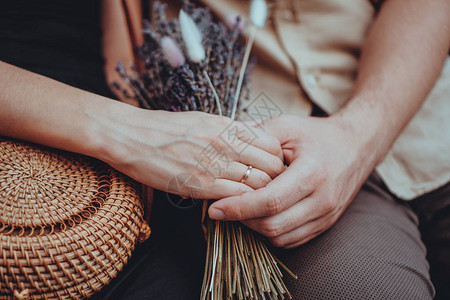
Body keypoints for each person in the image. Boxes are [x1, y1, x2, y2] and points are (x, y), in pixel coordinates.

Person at [1, 1, 449, 300]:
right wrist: (136, 130)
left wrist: (358, 135)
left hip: (423, 108)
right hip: (262, 148)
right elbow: (123, 47)